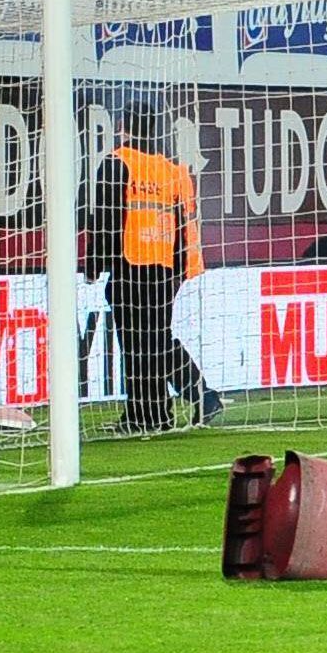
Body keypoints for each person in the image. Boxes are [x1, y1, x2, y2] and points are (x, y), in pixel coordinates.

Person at [82, 104, 216, 433]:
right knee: (155, 339)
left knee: (137, 344)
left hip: (130, 263)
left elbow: (107, 218)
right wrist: (185, 266)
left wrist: (94, 263)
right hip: (165, 267)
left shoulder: (118, 162)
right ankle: (161, 411)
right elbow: (185, 222)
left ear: (125, 127)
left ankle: (151, 412)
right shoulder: (170, 169)